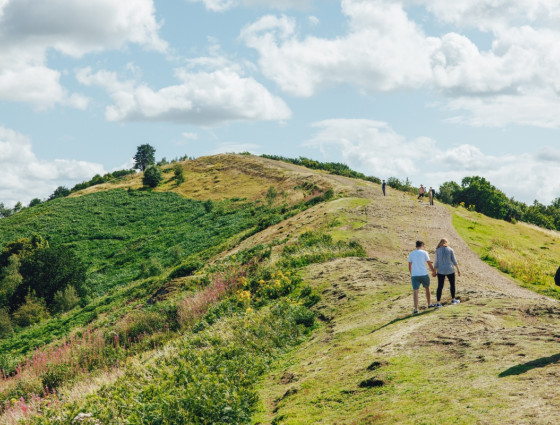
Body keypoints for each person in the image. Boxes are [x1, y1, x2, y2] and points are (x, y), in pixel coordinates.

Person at [408, 240, 436, 314]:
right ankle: (429, 304)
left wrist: (411, 273)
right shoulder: (424, 253)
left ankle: (416, 309)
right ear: (422, 246)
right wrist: (433, 271)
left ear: (416, 246)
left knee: (415, 291)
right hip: (423, 273)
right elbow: (429, 263)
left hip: (415, 275)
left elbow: (409, 265)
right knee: (427, 288)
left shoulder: (411, 254)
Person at [433, 238, 461, 307]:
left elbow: (436, 262)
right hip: (450, 269)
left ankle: (438, 303)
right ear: (446, 242)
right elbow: (454, 261)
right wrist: (458, 269)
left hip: (440, 270)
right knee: (452, 284)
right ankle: (453, 299)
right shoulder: (450, 249)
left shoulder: (437, 250)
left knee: (440, 286)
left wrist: (434, 271)